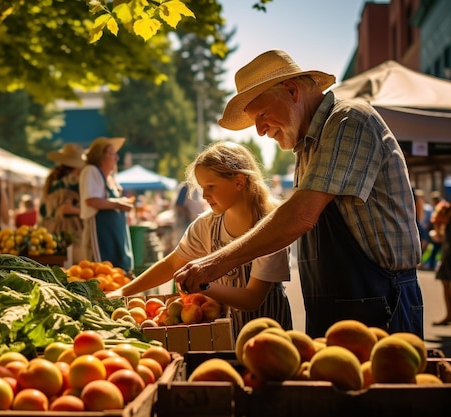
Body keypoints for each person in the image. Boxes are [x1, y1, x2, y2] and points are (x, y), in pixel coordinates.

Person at [174, 50, 424, 338]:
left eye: (263, 115)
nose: (259, 130)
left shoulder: (349, 120)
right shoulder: (307, 145)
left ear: (291, 90)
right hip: (335, 304)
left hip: (381, 302)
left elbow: (301, 215)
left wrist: (215, 263)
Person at [108, 142, 293, 335]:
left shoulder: (271, 227)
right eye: (202, 187)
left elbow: (252, 298)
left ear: (239, 182)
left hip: (269, 334)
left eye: (211, 186)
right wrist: (123, 292)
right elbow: (172, 265)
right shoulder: (207, 225)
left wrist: (204, 284)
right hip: (225, 334)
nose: (204, 195)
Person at [79, 137, 134, 272]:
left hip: (115, 234)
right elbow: (91, 200)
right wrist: (119, 204)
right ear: (99, 155)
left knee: (118, 274)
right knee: (102, 272)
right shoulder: (92, 171)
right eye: (112, 153)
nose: (116, 158)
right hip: (100, 235)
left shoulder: (111, 178)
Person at [40, 143, 87, 261]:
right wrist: (87, 211)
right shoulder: (71, 182)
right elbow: (66, 208)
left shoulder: (53, 181)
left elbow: (43, 210)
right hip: (71, 232)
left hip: (52, 232)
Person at [433, 200, 451, 325]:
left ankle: (449, 314)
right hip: (447, 256)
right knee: (445, 284)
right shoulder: (448, 224)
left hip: (449, 257)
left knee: (446, 284)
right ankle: (449, 314)